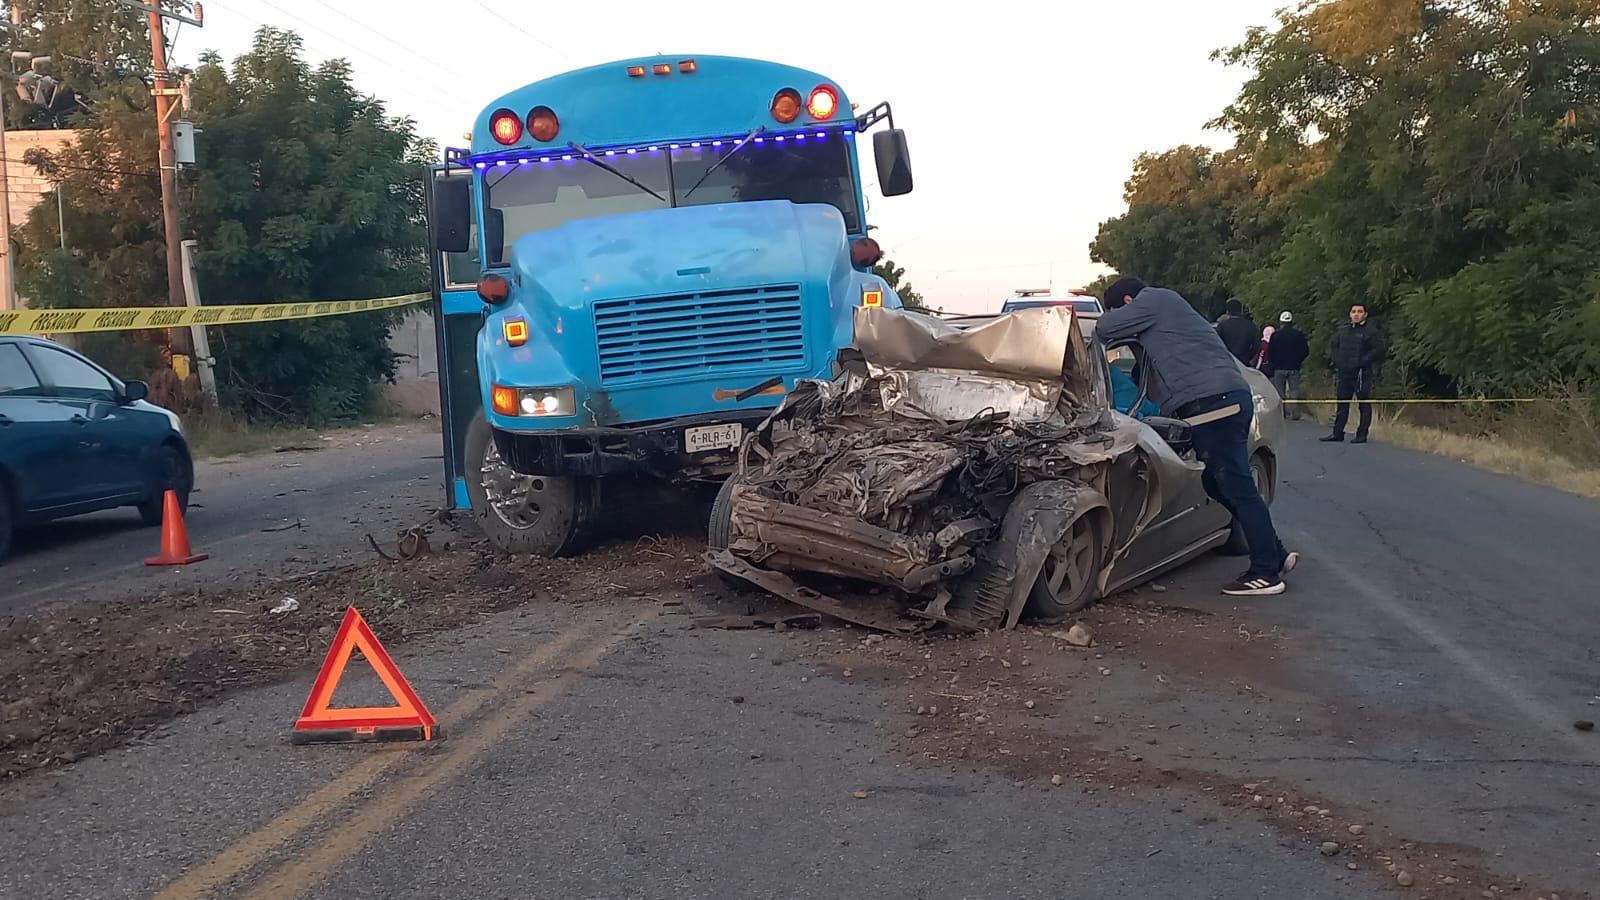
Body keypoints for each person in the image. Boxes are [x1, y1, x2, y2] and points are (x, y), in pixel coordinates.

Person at [1098, 277, 1297, 596]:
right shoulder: (1166, 317)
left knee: (1238, 486)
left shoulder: (1154, 300)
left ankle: (1265, 573)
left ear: (1126, 303)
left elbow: (1104, 329)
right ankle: (1275, 552)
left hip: (1215, 405)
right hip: (1219, 401)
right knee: (1217, 483)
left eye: (1119, 310)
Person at [1322, 302, 1386, 444]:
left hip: (1362, 373)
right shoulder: (1343, 331)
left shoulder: (1371, 332)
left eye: (1359, 311)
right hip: (1344, 372)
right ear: (1350, 314)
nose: (1356, 314)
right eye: (1353, 311)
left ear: (1365, 314)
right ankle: (1337, 433)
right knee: (1342, 403)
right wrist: (1337, 360)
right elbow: (1333, 346)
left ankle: (1361, 434)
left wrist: (1362, 361)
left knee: (1363, 403)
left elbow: (1378, 350)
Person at [1266, 311, 1309, 420]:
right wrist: (1298, 361)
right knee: (1294, 391)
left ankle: (1282, 414)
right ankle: (1295, 414)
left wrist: (1274, 363)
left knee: (1280, 393)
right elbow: (1305, 351)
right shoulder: (1298, 335)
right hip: (1294, 367)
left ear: (1281, 322)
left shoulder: (1275, 335)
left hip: (1279, 368)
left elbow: (1270, 351)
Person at [1215, 298, 1258, 364]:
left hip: (1228, 361)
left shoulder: (1222, 326)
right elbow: (1256, 345)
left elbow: (1216, 344)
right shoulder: (1250, 326)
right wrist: (1248, 356)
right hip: (1244, 362)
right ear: (1241, 310)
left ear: (1227, 311)